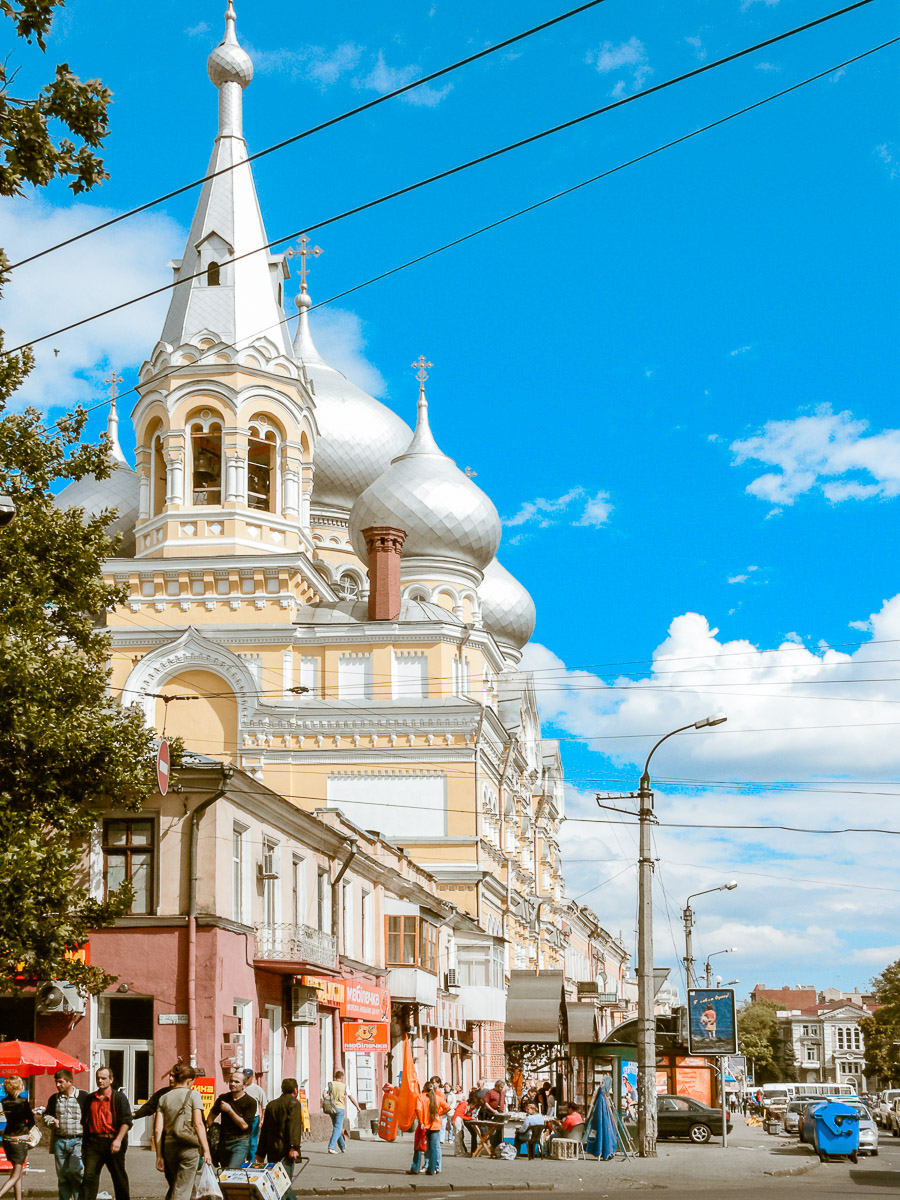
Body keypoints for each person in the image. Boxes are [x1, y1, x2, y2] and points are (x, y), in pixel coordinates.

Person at [154, 1064, 212, 1200]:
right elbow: (198, 1124)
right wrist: (206, 1150)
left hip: (169, 1147)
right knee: (182, 1189)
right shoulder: (194, 1095)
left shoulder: (164, 1098)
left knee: (179, 1185)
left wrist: (159, 1155)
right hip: (189, 1147)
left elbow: (157, 1129)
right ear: (189, 1080)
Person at [81, 1066, 133, 1200]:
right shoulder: (90, 1098)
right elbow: (85, 1122)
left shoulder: (119, 1098)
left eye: (103, 1078)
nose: (100, 1081)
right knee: (89, 1177)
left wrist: (118, 1140)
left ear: (111, 1079)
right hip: (94, 1142)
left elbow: (126, 1121)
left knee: (118, 1176)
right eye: (98, 1078)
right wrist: (84, 1146)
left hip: (113, 1141)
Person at [43, 1069, 91, 1200]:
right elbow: (46, 1115)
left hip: (78, 1140)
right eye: (56, 1082)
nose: (58, 1085)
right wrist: (51, 1120)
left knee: (76, 1172)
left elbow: (91, 1116)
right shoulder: (54, 1098)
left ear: (70, 1082)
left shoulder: (83, 1096)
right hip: (60, 1141)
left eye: (60, 1082)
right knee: (62, 1175)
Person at [256, 1079, 303, 1200]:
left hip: (272, 1150)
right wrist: (294, 1147)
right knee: (282, 1185)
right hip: (286, 1151)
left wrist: (260, 1153)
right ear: (295, 1090)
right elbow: (294, 1127)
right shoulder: (294, 1103)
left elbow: (265, 1130)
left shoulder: (271, 1104)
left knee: (279, 1183)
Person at [207, 1072, 257, 1167]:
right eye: (231, 1081)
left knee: (232, 1170)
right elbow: (210, 1117)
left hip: (240, 1142)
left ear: (244, 1084)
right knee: (224, 1172)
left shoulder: (250, 1102)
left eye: (237, 1082)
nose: (233, 1084)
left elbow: (244, 1125)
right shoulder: (223, 1098)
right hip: (223, 1141)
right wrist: (213, 1132)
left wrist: (229, 1110)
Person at [0, 1075, 35, 1200]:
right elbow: (31, 1121)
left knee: (17, 1171)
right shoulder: (23, 1102)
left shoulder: (4, 1102)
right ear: (18, 1086)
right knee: (15, 1175)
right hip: (19, 1139)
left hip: (7, 1138)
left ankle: (18, 1199)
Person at [415, 1082, 449, 1175]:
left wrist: (421, 1122)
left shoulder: (421, 1097)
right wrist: (440, 1113)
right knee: (433, 1147)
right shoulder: (438, 1098)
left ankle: (419, 1167)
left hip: (424, 1125)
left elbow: (418, 1109)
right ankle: (432, 1169)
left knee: (422, 1146)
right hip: (435, 1125)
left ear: (425, 1087)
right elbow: (448, 1107)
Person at [324, 1069, 357, 1155]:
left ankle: (342, 1146)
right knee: (337, 1128)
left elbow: (324, 1093)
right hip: (340, 1109)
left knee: (336, 1128)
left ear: (335, 1077)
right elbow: (351, 1097)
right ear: (342, 1077)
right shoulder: (345, 1086)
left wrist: (327, 1100)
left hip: (331, 1108)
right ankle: (331, 1147)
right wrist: (357, 1106)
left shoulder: (330, 1084)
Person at [241, 1070, 267, 1162]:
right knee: (242, 1141)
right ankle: (243, 1161)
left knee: (252, 1142)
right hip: (241, 1119)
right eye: (244, 1077)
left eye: (247, 1078)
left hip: (254, 1119)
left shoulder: (257, 1089)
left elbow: (264, 1105)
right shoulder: (240, 1087)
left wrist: (262, 1119)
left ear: (252, 1077)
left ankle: (251, 1162)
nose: (246, 1080)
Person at [480, 1078, 507, 1150]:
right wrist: (493, 1111)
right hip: (491, 1114)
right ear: (497, 1086)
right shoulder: (490, 1092)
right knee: (492, 1131)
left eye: (503, 1087)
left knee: (499, 1131)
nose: (502, 1088)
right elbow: (486, 1103)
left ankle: (498, 1146)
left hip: (500, 1114)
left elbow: (504, 1102)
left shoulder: (502, 1093)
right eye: (501, 1087)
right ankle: (493, 1147)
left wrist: (505, 1109)